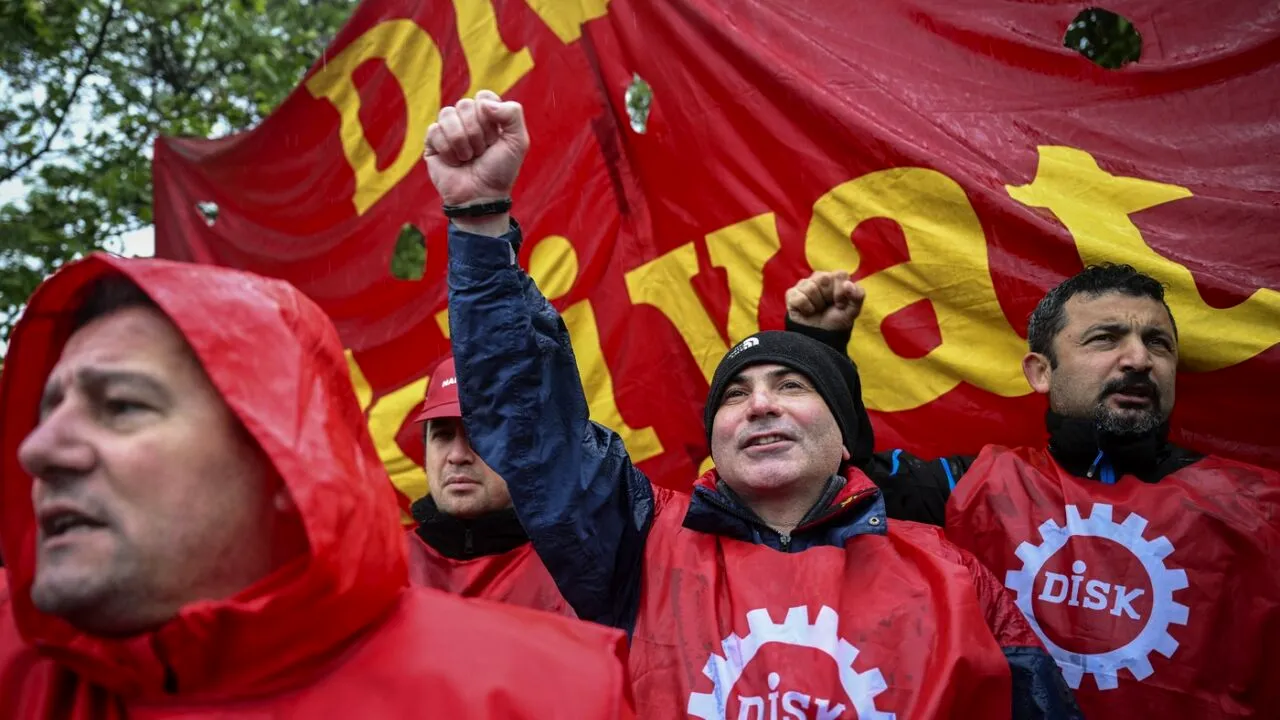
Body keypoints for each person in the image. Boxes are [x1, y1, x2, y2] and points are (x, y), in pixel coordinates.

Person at [426, 91, 1080, 718]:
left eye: (792, 387)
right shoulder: (641, 544)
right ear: (715, 443)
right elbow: (531, 420)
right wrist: (481, 222)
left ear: (845, 437)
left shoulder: (951, 573)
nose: (760, 404)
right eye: (734, 397)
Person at [0, 254, 634, 718]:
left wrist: (481, 225)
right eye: (48, 410)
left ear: (281, 460)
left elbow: (532, 411)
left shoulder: (547, 693)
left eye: (122, 407)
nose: (40, 450)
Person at [786, 266, 1280, 718]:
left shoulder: (1259, 507)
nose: (1138, 360)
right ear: (1041, 372)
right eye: (1105, 339)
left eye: (1159, 344)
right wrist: (819, 344)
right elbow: (834, 484)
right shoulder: (973, 487)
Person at [406, 355, 572, 615]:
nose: (458, 455)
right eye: (443, 435)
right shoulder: (385, 571)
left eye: (479, 434)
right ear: (425, 454)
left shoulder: (575, 571)